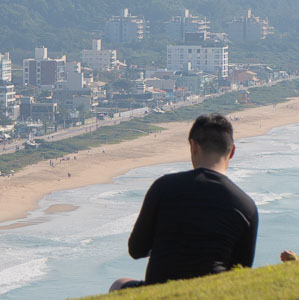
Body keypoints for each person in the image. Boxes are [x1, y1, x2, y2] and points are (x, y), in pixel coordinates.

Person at [110, 113, 258, 290]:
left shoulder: (163, 187)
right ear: (232, 151)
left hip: (158, 289)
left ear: (194, 146)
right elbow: (241, 270)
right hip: (214, 292)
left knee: (119, 284)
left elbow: (136, 250)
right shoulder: (246, 205)